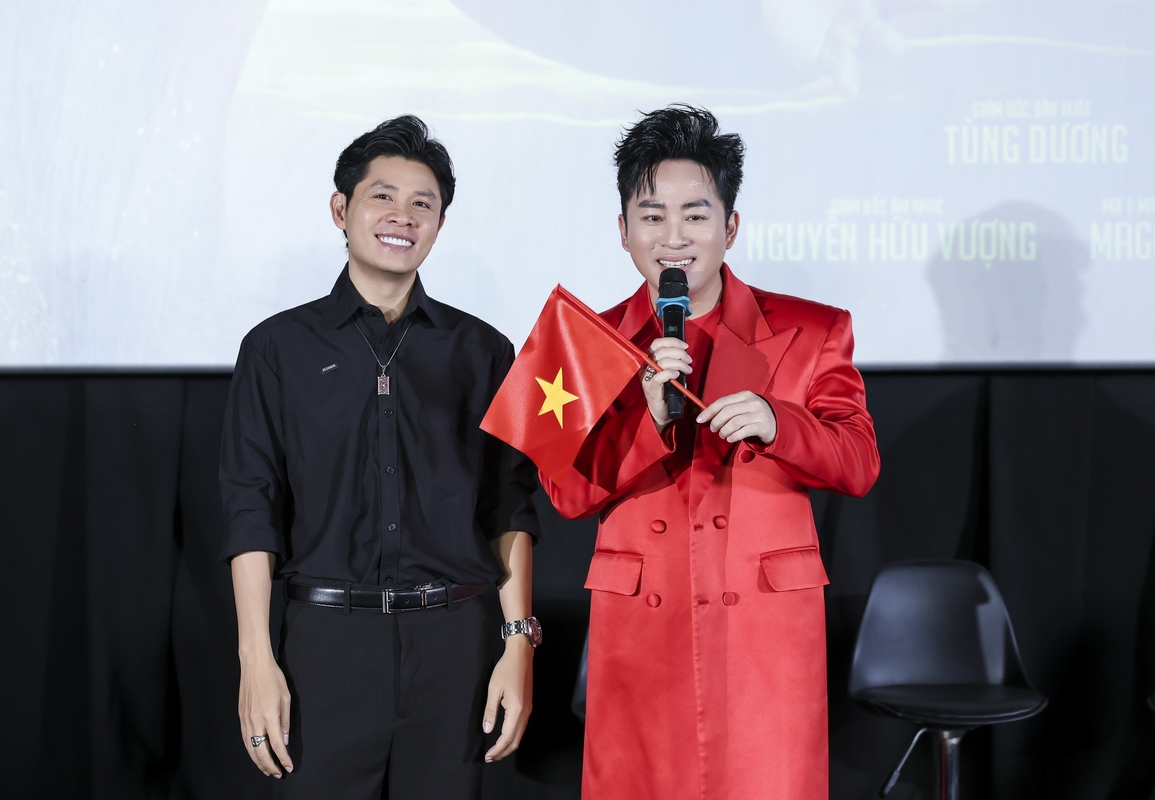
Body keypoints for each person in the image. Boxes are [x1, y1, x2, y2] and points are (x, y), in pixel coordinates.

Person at [540, 105, 880, 799]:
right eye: (652, 216)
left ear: (730, 226)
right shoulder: (582, 342)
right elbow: (565, 493)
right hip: (642, 629)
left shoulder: (814, 330)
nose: (673, 236)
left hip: (763, 633)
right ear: (623, 231)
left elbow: (859, 463)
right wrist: (644, 419)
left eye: (695, 215)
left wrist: (780, 424)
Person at [219, 115, 542, 799]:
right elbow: (251, 505)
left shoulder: (482, 351)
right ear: (341, 210)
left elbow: (508, 504)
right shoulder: (277, 348)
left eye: (423, 203)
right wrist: (256, 658)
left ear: (440, 223)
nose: (403, 216)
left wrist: (517, 643)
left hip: (454, 644)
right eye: (383, 197)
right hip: (326, 646)